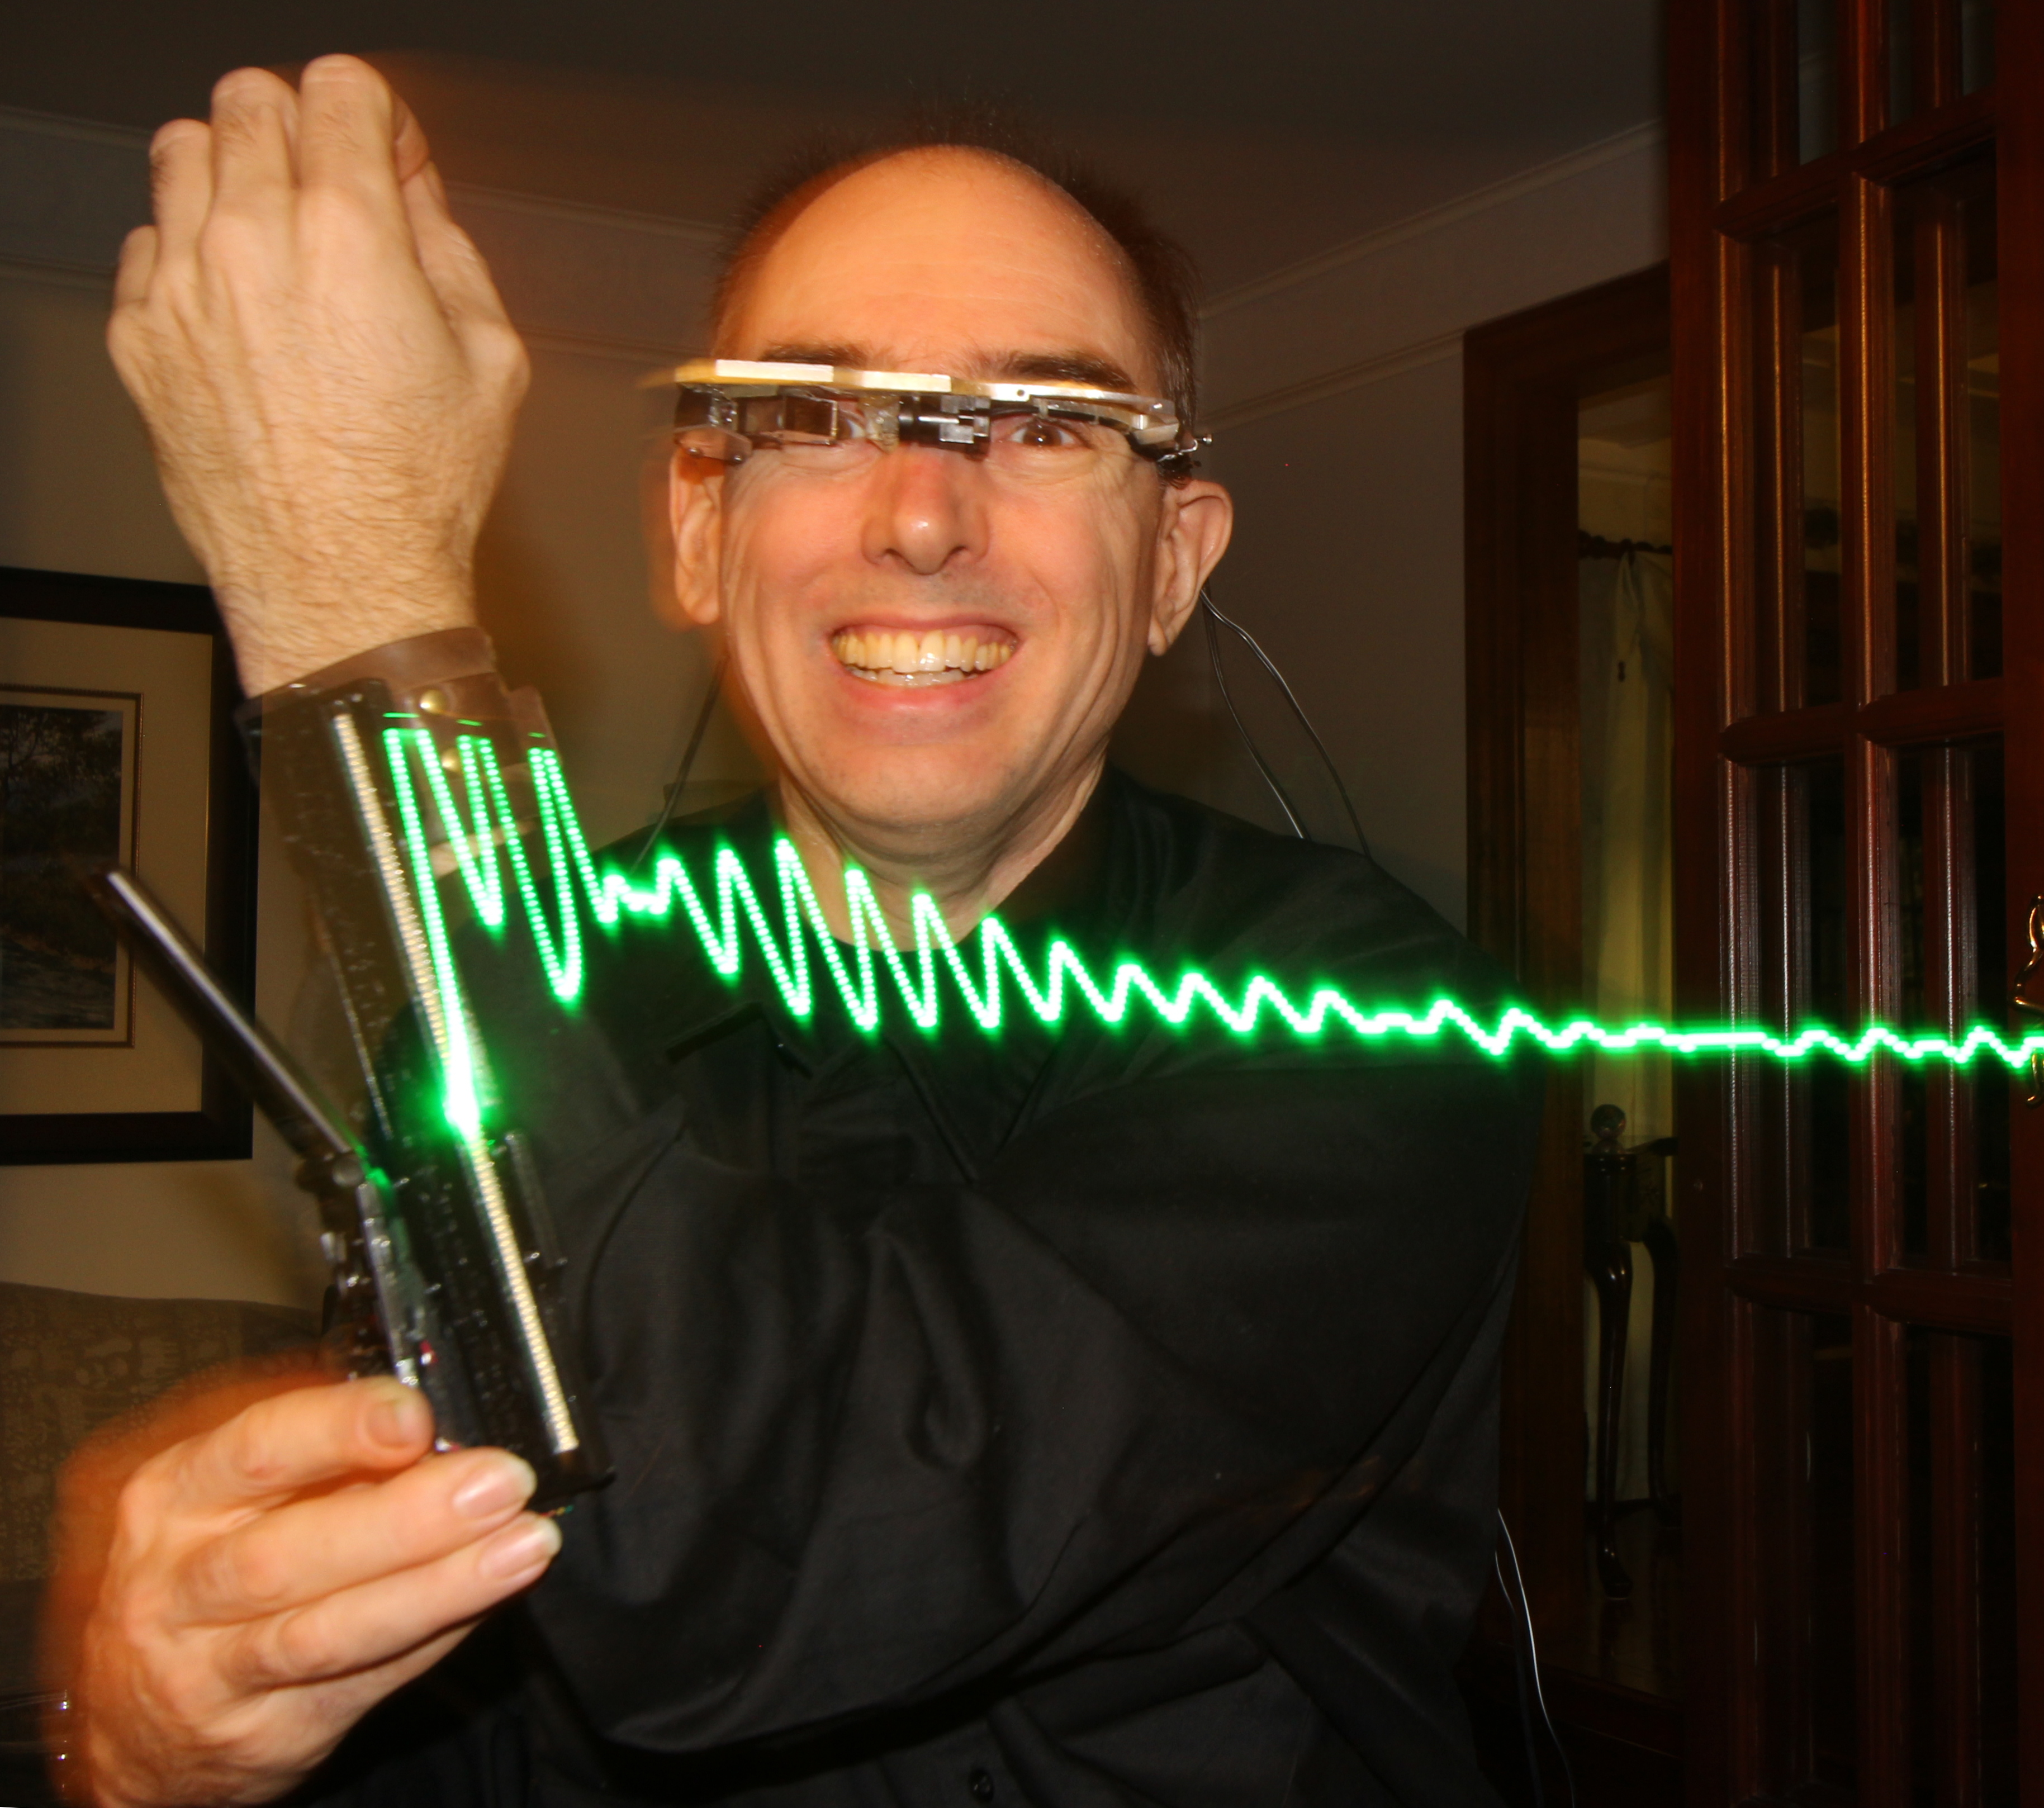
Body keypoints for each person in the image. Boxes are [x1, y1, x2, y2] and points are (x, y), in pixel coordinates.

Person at [62, 55, 1537, 1807]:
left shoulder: (1366, 1025)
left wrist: (350, 595)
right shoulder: (510, 978)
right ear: (699, 527)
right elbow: (470, 1684)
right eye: (816, 414)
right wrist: (151, 1748)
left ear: (1170, 563)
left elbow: (731, 1552)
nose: (919, 515)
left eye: (1047, 423)